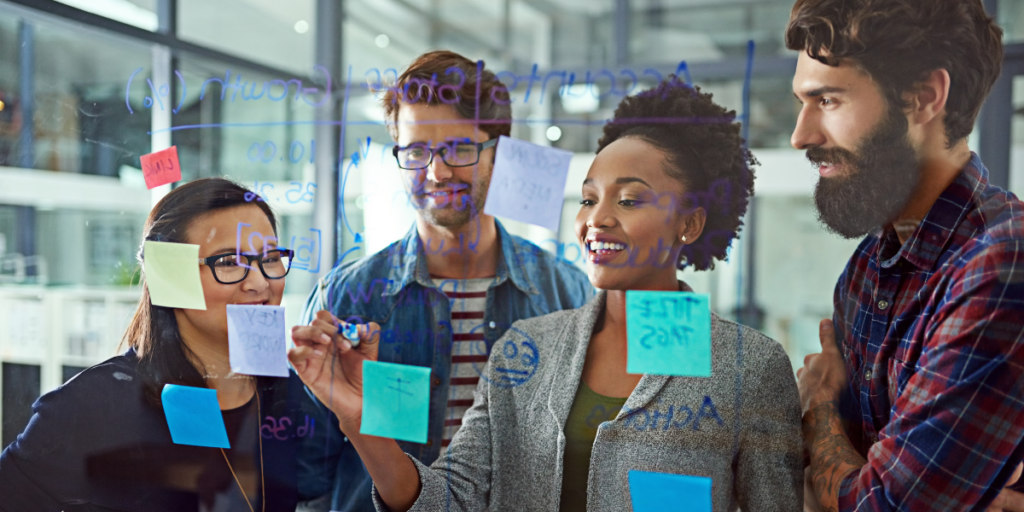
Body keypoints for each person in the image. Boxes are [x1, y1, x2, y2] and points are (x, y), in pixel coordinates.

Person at [290, 77, 803, 511]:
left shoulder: (748, 367)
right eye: (587, 198)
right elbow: (451, 497)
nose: (596, 219)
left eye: (627, 199)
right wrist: (362, 423)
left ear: (689, 223)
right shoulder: (526, 346)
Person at [296, 50, 592, 511]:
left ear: (499, 153)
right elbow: (312, 472)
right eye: (416, 151)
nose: (436, 172)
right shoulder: (346, 296)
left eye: (458, 148)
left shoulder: (565, 294)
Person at [787, 1, 1024, 510]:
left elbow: (887, 503)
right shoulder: (865, 272)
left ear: (923, 98)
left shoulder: (1005, 263)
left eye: (826, 100)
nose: (801, 135)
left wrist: (819, 409)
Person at [0, 178, 328, 511]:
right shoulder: (96, 405)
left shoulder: (288, 394)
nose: (260, 283)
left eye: (270, 259)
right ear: (168, 276)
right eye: (229, 262)